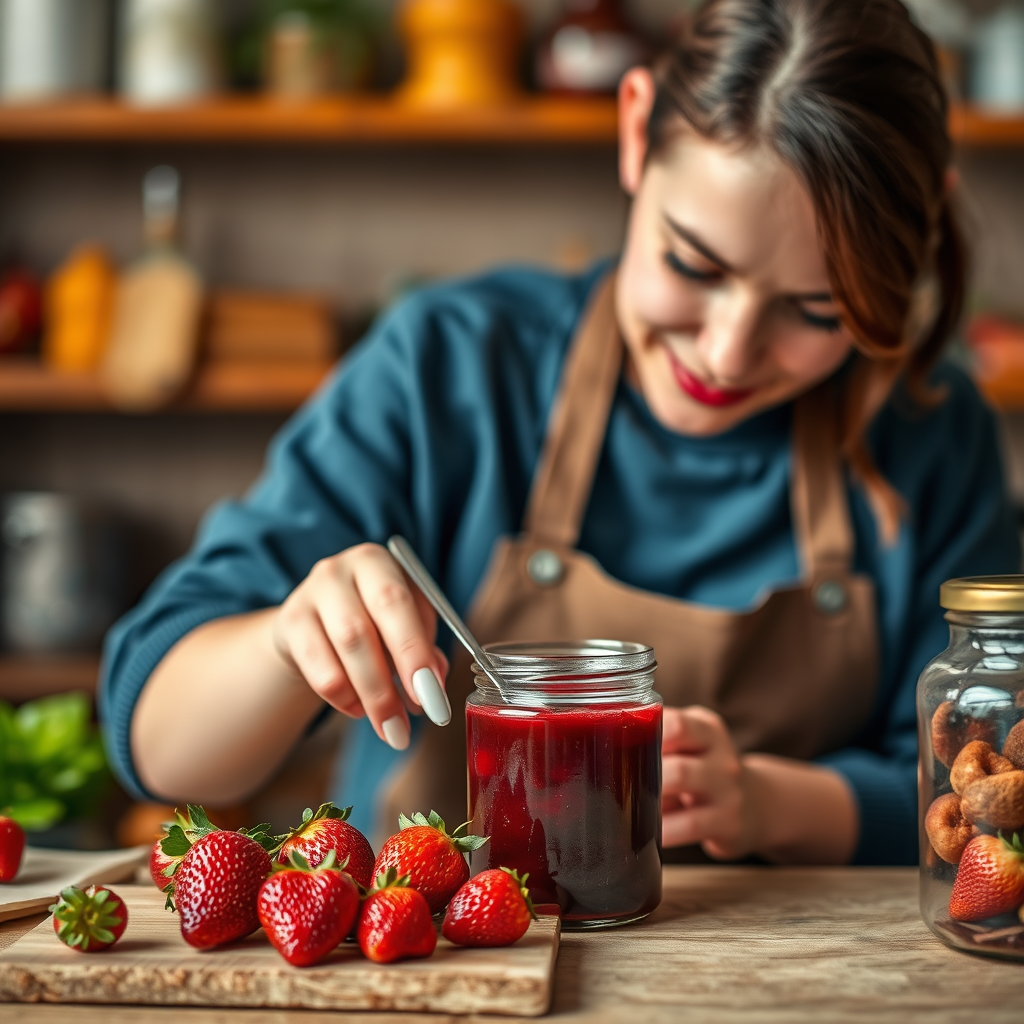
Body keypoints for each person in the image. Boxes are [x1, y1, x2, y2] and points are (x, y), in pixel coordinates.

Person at [100, 0, 1020, 865]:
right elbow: (159, 742)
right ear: (634, 129)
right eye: (691, 263)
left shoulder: (932, 435)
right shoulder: (452, 365)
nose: (729, 352)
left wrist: (767, 801)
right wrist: (283, 642)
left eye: (817, 310)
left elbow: (986, 789)